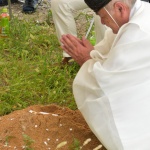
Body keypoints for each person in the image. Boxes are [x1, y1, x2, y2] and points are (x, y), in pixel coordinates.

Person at [60, 0, 150, 149]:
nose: (102, 22)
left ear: (120, 8)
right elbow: (111, 54)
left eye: (102, 16)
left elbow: (108, 80)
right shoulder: (139, 13)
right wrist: (92, 54)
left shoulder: (139, 32)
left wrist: (86, 59)